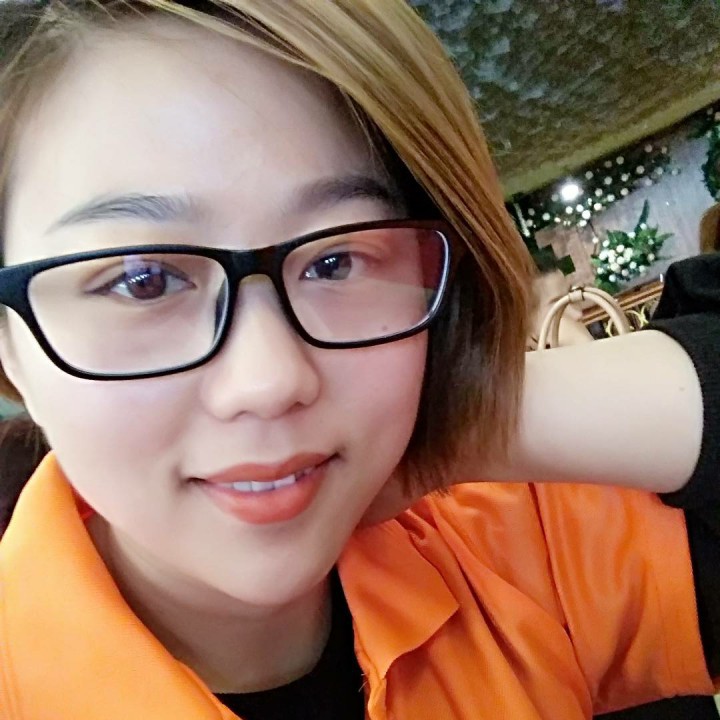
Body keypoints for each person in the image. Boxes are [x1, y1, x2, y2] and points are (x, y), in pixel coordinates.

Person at [0, 2, 719, 719]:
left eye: (336, 260)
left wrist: (473, 407)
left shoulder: (497, 549)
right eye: (143, 281)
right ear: (9, 344)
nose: (270, 380)